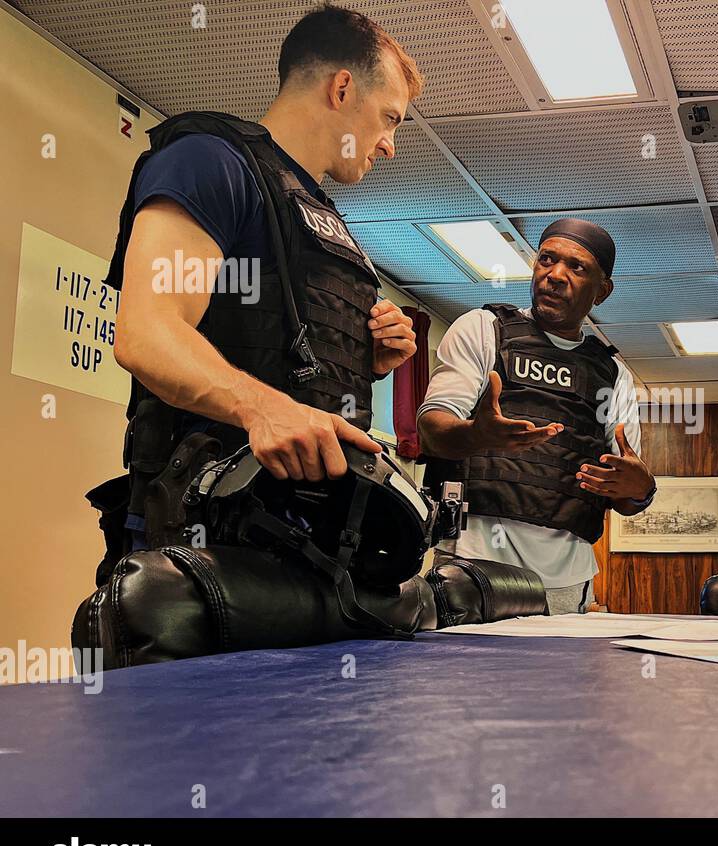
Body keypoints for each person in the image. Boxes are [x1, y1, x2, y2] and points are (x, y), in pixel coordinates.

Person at [93, 3, 424, 570]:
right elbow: (146, 333)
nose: (391, 144)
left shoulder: (324, 218)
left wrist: (365, 356)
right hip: (202, 540)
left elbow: (272, 339)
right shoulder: (210, 160)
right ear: (342, 88)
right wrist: (262, 407)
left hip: (306, 542)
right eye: (390, 118)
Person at [417, 219, 655, 615]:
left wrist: (641, 489)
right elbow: (432, 431)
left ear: (602, 291)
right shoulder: (483, 330)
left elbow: (626, 492)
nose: (555, 276)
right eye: (546, 260)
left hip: (566, 580)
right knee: (460, 678)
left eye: (576, 268)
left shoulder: (614, 376)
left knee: (560, 680)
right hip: (472, 568)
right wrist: (479, 435)